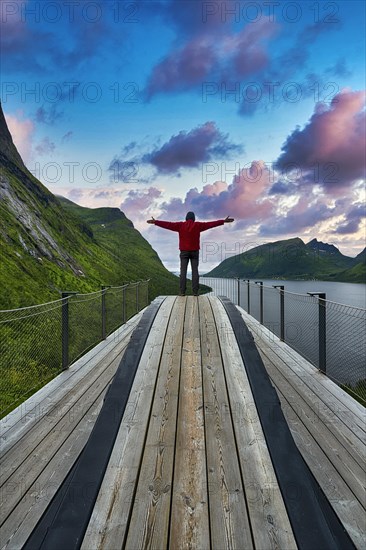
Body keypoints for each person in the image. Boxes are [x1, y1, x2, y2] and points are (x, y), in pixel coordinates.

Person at [147, 212, 234, 296]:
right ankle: (195, 292)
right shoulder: (198, 225)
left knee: (183, 272)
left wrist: (156, 222)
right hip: (195, 252)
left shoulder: (180, 225)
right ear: (194, 218)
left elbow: (168, 224)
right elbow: (210, 224)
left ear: (186, 218)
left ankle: (182, 292)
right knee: (195, 271)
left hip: (184, 252)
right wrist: (223, 221)